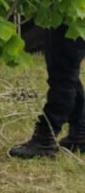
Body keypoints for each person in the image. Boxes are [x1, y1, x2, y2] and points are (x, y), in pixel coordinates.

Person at [9, 25, 85, 157]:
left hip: (70, 14)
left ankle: (45, 140)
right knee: (67, 72)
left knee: (63, 74)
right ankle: (80, 134)